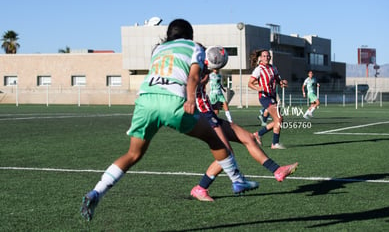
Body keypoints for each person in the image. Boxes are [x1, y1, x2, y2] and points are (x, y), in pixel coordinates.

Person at [80, 19, 257, 221]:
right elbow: (192, 77)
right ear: (190, 34)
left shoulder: (159, 49)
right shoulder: (194, 47)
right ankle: (237, 180)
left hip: (145, 101)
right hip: (173, 102)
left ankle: (97, 192)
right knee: (215, 139)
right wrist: (191, 99)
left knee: (133, 154)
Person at [190, 59, 298, 201]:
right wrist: (205, 74)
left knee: (248, 138)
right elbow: (193, 83)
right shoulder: (191, 70)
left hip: (208, 114)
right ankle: (202, 188)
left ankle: (277, 170)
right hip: (203, 116)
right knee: (226, 154)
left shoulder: (198, 68)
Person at [248, 50, 288, 150]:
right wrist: (258, 88)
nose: (266, 58)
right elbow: (250, 83)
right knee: (279, 119)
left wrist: (283, 83)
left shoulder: (273, 68)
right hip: (265, 97)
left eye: (268, 56)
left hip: (273, 96)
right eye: (264, 56)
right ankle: (274, 144)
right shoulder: (259, 69)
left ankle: (258, 134)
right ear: (260, 58)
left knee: (278, 120)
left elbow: (279, 81)